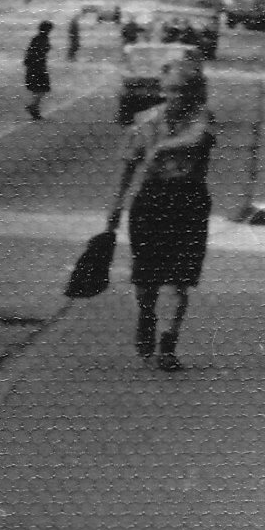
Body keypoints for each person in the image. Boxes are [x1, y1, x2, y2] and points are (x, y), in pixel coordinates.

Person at [103, 49, 219, 371]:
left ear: (193, 91)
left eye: (181, 90)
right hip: (151, 200)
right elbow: (127, 168)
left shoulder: (203, 116)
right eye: (169, 89)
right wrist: (115, 208)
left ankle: (169, 345)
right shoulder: (145, 121)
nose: (174, 96)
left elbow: (197, 139)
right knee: (147, 276)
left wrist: (160, 149)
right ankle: (146, 315)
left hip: (189, 200)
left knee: (180, 279)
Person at [23, 19, 54, 121]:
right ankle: (33, 107)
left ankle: (34, 107)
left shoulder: (36, 38)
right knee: (42, 89)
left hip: (34, 67)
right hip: (38, 67)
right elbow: (38, 53)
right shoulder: (42, 39)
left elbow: (29, 52)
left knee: (38, 89)